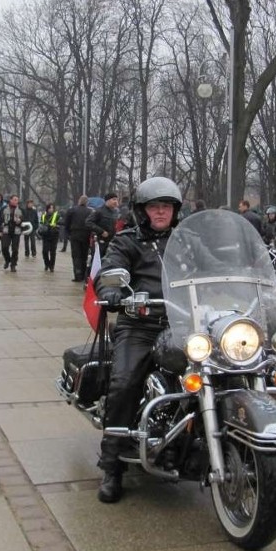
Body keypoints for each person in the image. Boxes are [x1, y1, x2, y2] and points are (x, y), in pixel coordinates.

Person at [93, 176, 182, 504]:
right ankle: (112, 464)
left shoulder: (186, 241)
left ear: (175, 210)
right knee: (125, 382)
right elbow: (110, 270)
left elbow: (214, 267)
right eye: (154, 206)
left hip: (184, 323)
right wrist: (112, 291)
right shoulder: (126, 241)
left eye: (167, 206)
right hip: (140, 324)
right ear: (142, 211)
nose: (161, 212)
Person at [63, 195, 93, 282]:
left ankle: (77, 274)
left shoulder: (72, 210)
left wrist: (68, 233)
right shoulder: (90, 211)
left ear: (79, 201)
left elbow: (66, 223)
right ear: (87, 202)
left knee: (76, 255)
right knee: (84, 255)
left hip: (75, 234)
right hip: (86, 235)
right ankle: (84, 274)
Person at [85, 192, 120, 256]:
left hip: (112, 242)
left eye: (117, 200)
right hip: (100, 241)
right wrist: (101, 231)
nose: (116, 202)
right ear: (108, 200)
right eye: (114, 199)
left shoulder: (116, 212)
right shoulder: (99, 211)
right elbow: (88, 222)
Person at [0, 194, 23, 272]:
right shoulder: (4, 209)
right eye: (15, 199)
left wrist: (20, 221)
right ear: (11, 200)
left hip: (16, 231)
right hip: (6, 230)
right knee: (4, 247)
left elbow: (24, 220)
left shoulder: (20, 209)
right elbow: (0, 220)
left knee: (15, 249)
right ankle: (7, 260)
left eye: (17, 200)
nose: (16, 201)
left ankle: (13, 264)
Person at [39, 202, 61, 272]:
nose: (51, 209)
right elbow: (41, 224)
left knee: (53, 251)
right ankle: (47, 264)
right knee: (45, 251)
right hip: (46, 235)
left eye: (52, 208)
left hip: (54, 235)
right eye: (50, 208)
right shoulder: (43, 215)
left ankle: (52, 266)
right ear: (47, 208)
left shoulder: (57, 215)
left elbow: (61, 223)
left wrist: (56, 225)